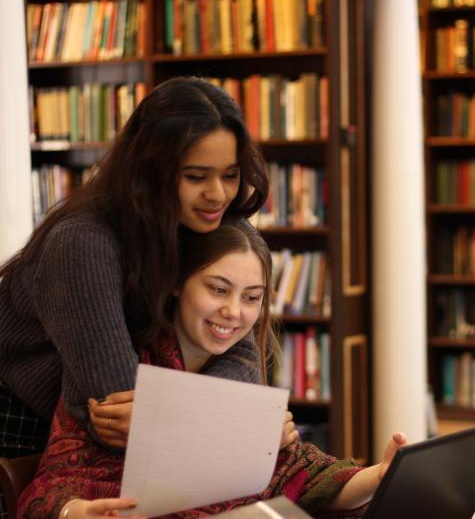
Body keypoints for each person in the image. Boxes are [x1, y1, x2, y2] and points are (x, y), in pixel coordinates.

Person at [18, 222, 406, 519]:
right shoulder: (116, 367)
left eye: (251, 297)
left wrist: (383, 475)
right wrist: (75, 511)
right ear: (176, 284)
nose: (234, 312)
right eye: (218, 289)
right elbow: (49, 488)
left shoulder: (242, 371)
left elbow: (299, 476)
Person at [0, 76, 270, 462]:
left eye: (230, 174)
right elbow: (117, 408)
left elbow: (243, 356)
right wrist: (222, 414)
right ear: (149, 171)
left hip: (148, 437)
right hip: (24, 428)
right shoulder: (81, 243)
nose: (218, 194)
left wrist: (183, 414)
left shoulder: (219, 227)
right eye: (196, 176)